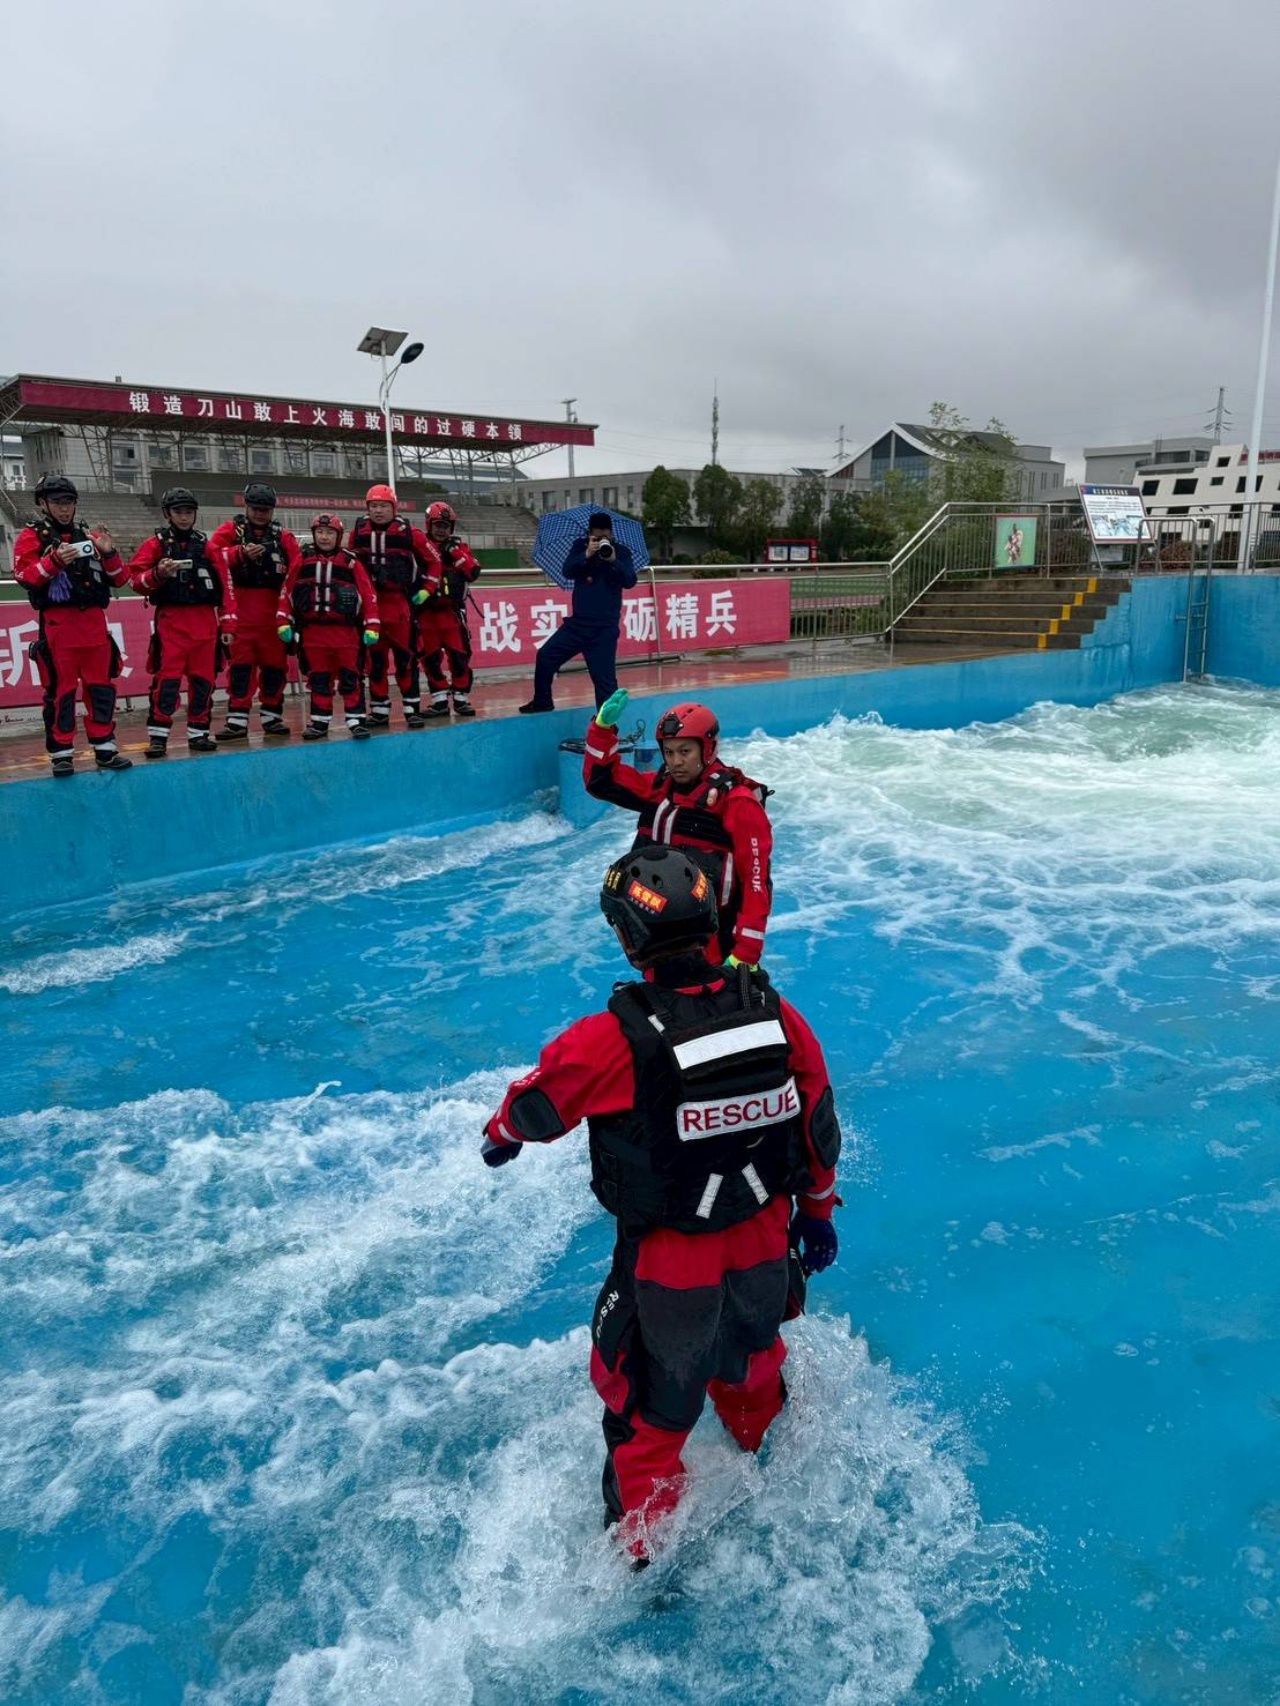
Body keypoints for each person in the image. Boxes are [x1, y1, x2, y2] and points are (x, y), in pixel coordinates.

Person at [481, 845, 840, 1564]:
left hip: (672, 1266)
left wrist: (500, 1135)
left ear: (626, 936)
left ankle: (641, 1562)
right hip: (768, 1243)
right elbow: (818, 1115)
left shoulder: (615, 1038)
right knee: (753, 1361)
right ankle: (765, 1457)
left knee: (651, 1407)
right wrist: (820, 1212)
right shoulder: (773, 1008)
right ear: (712, 919)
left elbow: (539, 1108)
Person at [583, 694, 774, 967]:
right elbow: (600, 782)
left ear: (708, 749)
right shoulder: (658, 791)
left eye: (685, 752)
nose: (676, 762)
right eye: (669, 752)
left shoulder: (738, 803)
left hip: (715, 948)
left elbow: (757, 883)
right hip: (659, 943)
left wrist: (747, 952)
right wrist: (602, 731)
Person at [12, 474, 133, 776]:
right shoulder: (32, 537)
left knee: (101, 687)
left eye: (69, 503)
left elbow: (120, 579)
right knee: (60, 690)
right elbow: (24, 577)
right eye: (57, 503)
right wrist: (53, 561)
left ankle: (105, 748)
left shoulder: (88, 536)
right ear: (43, 504)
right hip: (59, 625)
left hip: (93, 623)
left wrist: (108, 551)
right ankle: (62, 753)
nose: (64, 509)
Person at [128, 487, 236, 758]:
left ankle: (199, 733)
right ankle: (159, 736)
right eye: (179, 512)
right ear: (168, 514)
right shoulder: (155, 545)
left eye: (189, 512)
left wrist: (228, 624)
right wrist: (158, 573)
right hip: (172, 623)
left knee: (203, 682)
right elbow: (134, 581)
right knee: (167, 682)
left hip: (205, 625)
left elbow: (226, 586)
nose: (185, 517)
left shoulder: (208, 547)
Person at [209, 481, 302, 742]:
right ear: (246, 507)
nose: (260, 513)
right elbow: (212, 555)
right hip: (241, 611)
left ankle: (272, 717)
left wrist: (289, 609)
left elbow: (297, 565)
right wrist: (240, 554)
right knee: (240, 669)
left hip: (274, 613)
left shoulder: (282, 536)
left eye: (265, 509)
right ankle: (237, 720)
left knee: (275, 668)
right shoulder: (231, 530)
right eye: (256, 508)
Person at [519, 512, 637, 714]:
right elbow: (567, 570)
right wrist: (586, 555)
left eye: (606, 537)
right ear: (590, 534)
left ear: (612, 534)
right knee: (546, 656)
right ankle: (542, 701)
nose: (602, 541)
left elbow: (630, 581)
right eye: (597, 537)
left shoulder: (621, 552)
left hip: (604, 630)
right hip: (577, 625)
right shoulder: (580, 547)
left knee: (605, 681)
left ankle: (606, 725)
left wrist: (614, 560)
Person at [277, 514, 380, 741]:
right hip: (313, 634)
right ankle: (319, 722)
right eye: (320, 532)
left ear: (338, 536)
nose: (324, 537)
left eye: (330, 533)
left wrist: (372, 624)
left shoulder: (351, 562)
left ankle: (356, 720)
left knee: (351, 676)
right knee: (319, 679)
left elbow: (368, 594)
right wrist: (283, 621)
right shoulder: (302, 560)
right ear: (314, 534)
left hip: (346, 633)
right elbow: (287, 591)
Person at [347, 484, 434, 728]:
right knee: (375, 662)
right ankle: (379, 711)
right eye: (373, 506)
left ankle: (411, 708)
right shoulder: (359, 531)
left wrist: (426, 591)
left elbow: (433, 563)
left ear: (393, 507)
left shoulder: (410, 533)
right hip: (370, 609)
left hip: (400, 607)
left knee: (406, 660)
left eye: (383, 506)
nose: (378, 511)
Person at [417, 499, 482, 718]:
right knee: (430, 657)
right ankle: (439, 700)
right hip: (426, 614)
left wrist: (454, 553)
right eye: (437, 525)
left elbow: (472, 572)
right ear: (429, 524)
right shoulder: (420, 547)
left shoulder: (458, 547)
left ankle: (461, 698)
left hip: (451, 613)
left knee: (460, 655)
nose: (441, 530)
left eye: (445, 526)